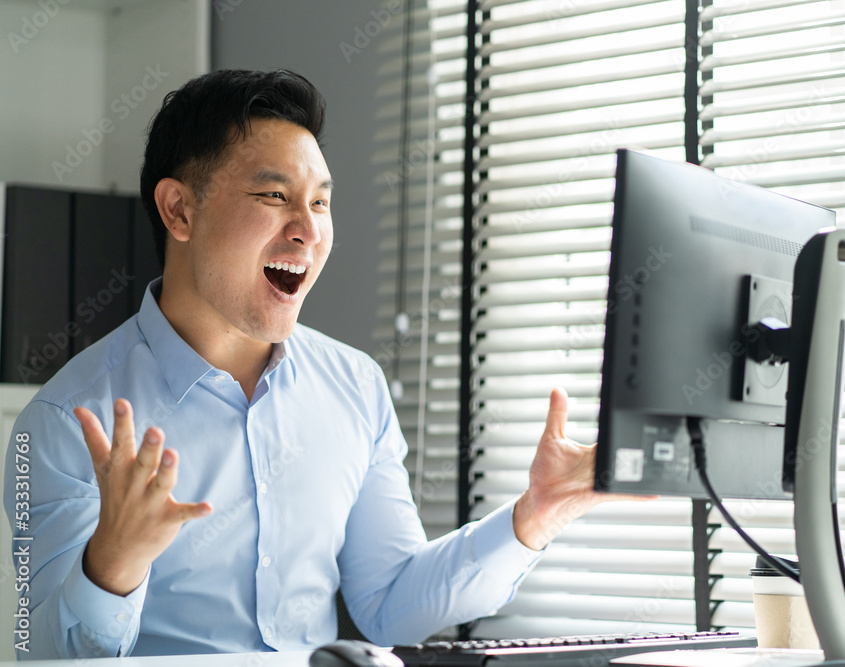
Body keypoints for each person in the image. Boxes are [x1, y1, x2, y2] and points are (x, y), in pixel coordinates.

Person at [3, 69, 634, 660]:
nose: (308, 229)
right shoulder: (61, 423)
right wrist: (111, 566)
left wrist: (533, 519)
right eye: (274, 195)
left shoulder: (355, 386)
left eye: (321, 203)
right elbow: (42, 653)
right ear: (180, 211)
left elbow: (389, 605)